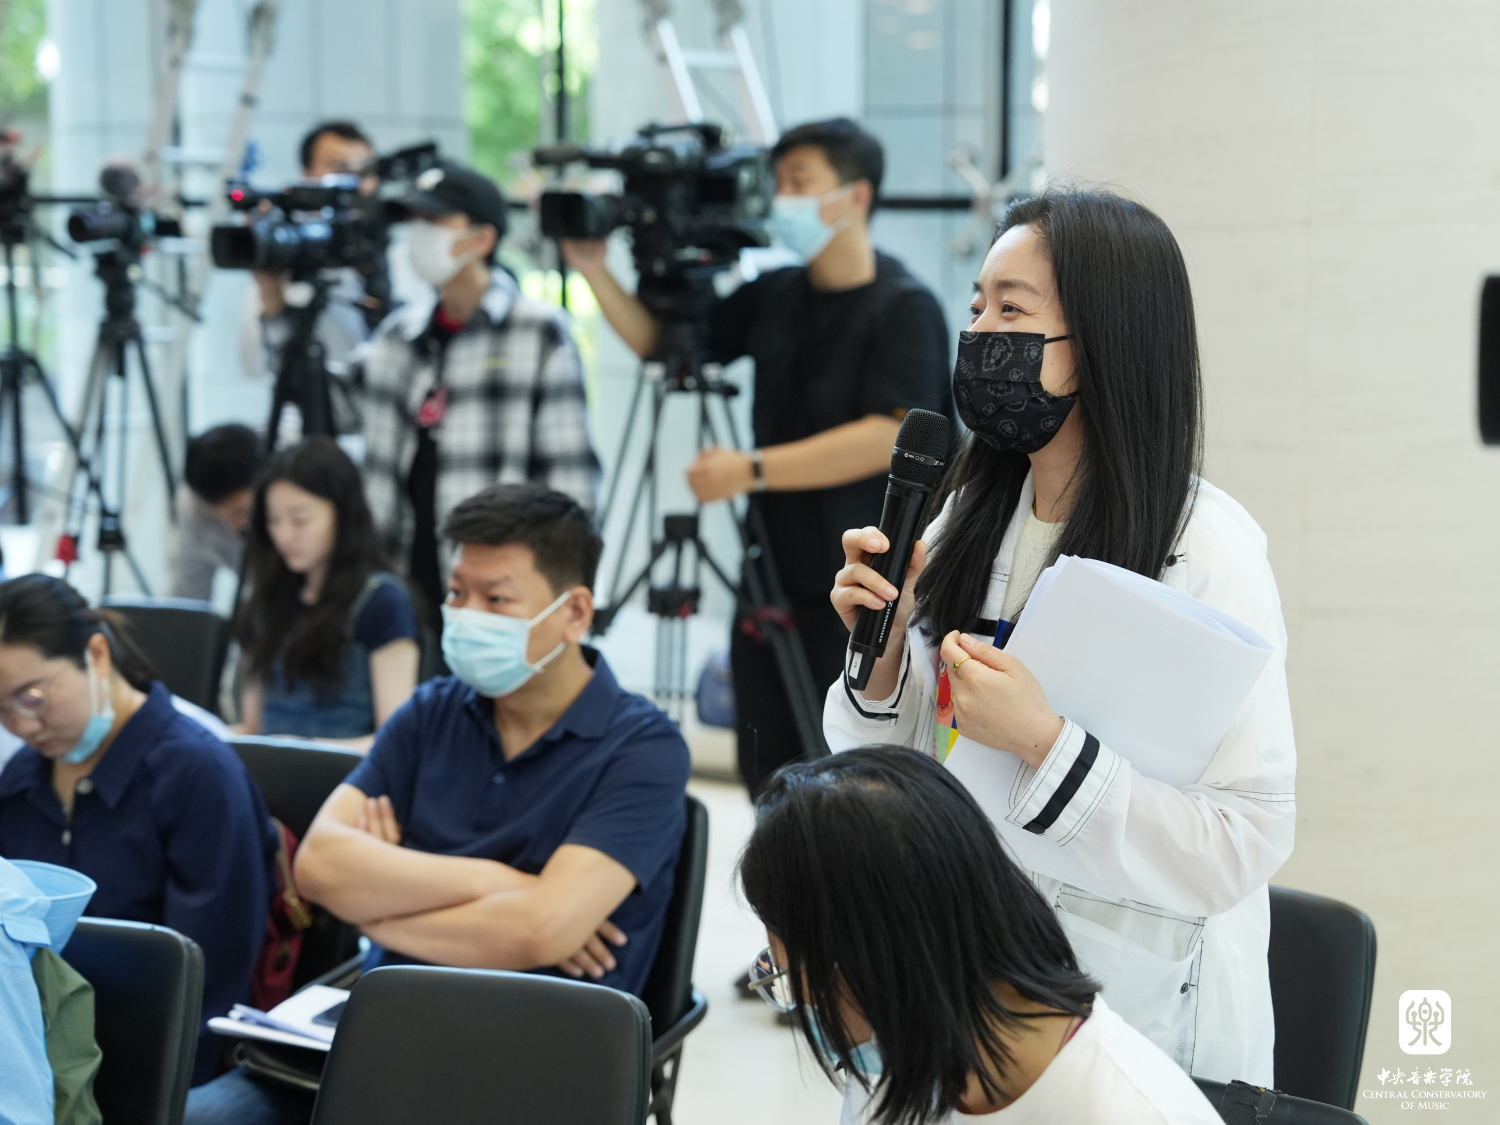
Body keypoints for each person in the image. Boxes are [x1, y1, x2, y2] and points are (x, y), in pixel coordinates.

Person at [827, 189, 1295, 1086]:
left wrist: (1046, 743)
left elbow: (1246, 838)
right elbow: (914, 765)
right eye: (976, 307)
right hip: (961, 973)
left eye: (1013, 311)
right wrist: (882, 660)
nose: (979, 334)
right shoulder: (968, 515)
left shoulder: (1207, 550)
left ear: (1107, 339)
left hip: (1129, 1013)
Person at [185, 483, 689, 1124]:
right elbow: (318, 867)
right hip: (379, 1037)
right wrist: (506, 884)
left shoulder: (643, 748)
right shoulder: (430, 713)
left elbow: (539, 930)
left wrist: (377, 913)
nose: (466, 614)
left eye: (496, 599)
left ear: (574, 612)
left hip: (538, 1059)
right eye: (456, 593)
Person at [563, 117, 952, 794]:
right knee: (766, 764)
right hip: (769, 566)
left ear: (856, 196)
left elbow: (887, 435)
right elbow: (661, 343)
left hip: (862, 577)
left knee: (845, 771)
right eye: (777, 182)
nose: (781, 197)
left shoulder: (904, 307)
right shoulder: (777, 294)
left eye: (800, 182)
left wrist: (751, 470)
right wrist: (593, 269)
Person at [741, 746, 1222, 1124]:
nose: (807, 1008)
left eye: (795, 980)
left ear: (886, 957)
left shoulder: (1129, 1110)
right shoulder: (911, 1065)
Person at [0, 575, 278, 1085]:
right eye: (0, 709)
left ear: (96, 654)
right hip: (38, 1050)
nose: (21, 726)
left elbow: (208, 985)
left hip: (163, 1061)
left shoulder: (197, 775)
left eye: (32, 697)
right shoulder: (19, 782)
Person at [360, 162, 600, 623]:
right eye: (414, 221)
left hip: (496, 592)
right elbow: (335, 404)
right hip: (403, 582)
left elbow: (571, 480)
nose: (419, 235)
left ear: (482, 239)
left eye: (434, 221)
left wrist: (560, 595)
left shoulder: (537, 332)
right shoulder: (399, 336)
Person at [236, 437, 419, 747]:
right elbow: (252, 726)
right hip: (268, 768)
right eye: (274, 521)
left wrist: (303, 752)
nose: (284, 536)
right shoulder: (267, 600)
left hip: (343, 771)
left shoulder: (380, 600)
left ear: (341, 513)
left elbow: (395, 741)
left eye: (300, 520)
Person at [239, 120, 391, 409]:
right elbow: (255, 366)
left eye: (363, 172)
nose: (353, 184)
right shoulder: (289, 257)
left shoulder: (401, 258)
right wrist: (272, 293)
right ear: (306, 177)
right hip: (307, 413)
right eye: (338, 169)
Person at [170, 423, 263, 603]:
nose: (236, 527)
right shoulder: (193, 506)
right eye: (220, 516)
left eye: (242, 512)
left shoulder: (294, 475)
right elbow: (190, 596)